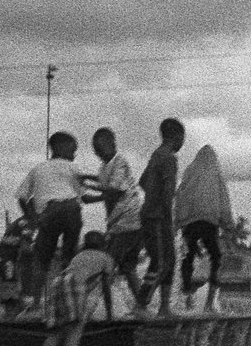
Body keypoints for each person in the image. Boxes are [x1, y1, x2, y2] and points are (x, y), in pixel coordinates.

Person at [28, 232, 120, 346]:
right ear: (104, 245)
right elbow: (106, 288)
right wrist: (109, 314)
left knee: (58, 327)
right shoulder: (106, 258)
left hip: (58, 282)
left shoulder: (79, 255)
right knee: (76, 327)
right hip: (76, 284)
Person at [15, 132, 88, 302]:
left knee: (41, 261)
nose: (74, 154)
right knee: (69, 259)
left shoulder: (38, 168)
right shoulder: (73, 167)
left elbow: (22, 197)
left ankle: (35, 303)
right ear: (60, 147)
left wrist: (33, 218)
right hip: (71, 209)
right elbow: (84, 197)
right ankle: (69, 301)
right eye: (72, 150)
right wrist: (106, 195)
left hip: (49, 213)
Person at [174, 142, 231, 311]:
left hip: (189, 223)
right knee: (216, 258)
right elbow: (224, 199)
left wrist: (177, 222)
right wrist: (228, 224)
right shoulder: (216, 172)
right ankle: (209, 303)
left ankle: (187, 297)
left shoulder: (189, 171)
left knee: (187, 258)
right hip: (209, 222)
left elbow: (180, 195)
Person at [92, 126, 144, 307]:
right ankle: (142, 305)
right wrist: (90, 182)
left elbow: (114, 189)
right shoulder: (104, 167)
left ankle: (106, 312)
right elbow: (106, 187)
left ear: (113, 144)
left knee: (106, 267)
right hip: (121, 224)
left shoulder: (120, 161)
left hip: (128, 222)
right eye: (96, 150)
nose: (99, 153)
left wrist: (92, 190)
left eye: (101, 148)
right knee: (128, 268)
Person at [138, 117, 185, 315]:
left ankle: (164, 307)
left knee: (168, 260)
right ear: (177, 137)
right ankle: (141, 304)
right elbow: (168, 193)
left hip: (148, 214)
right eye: (183, 137)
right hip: (158, 217)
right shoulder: (169, 158)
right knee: (162, 262)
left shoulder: (156, 155)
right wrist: (169, 219)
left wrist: (152, 195)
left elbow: (142, 181)